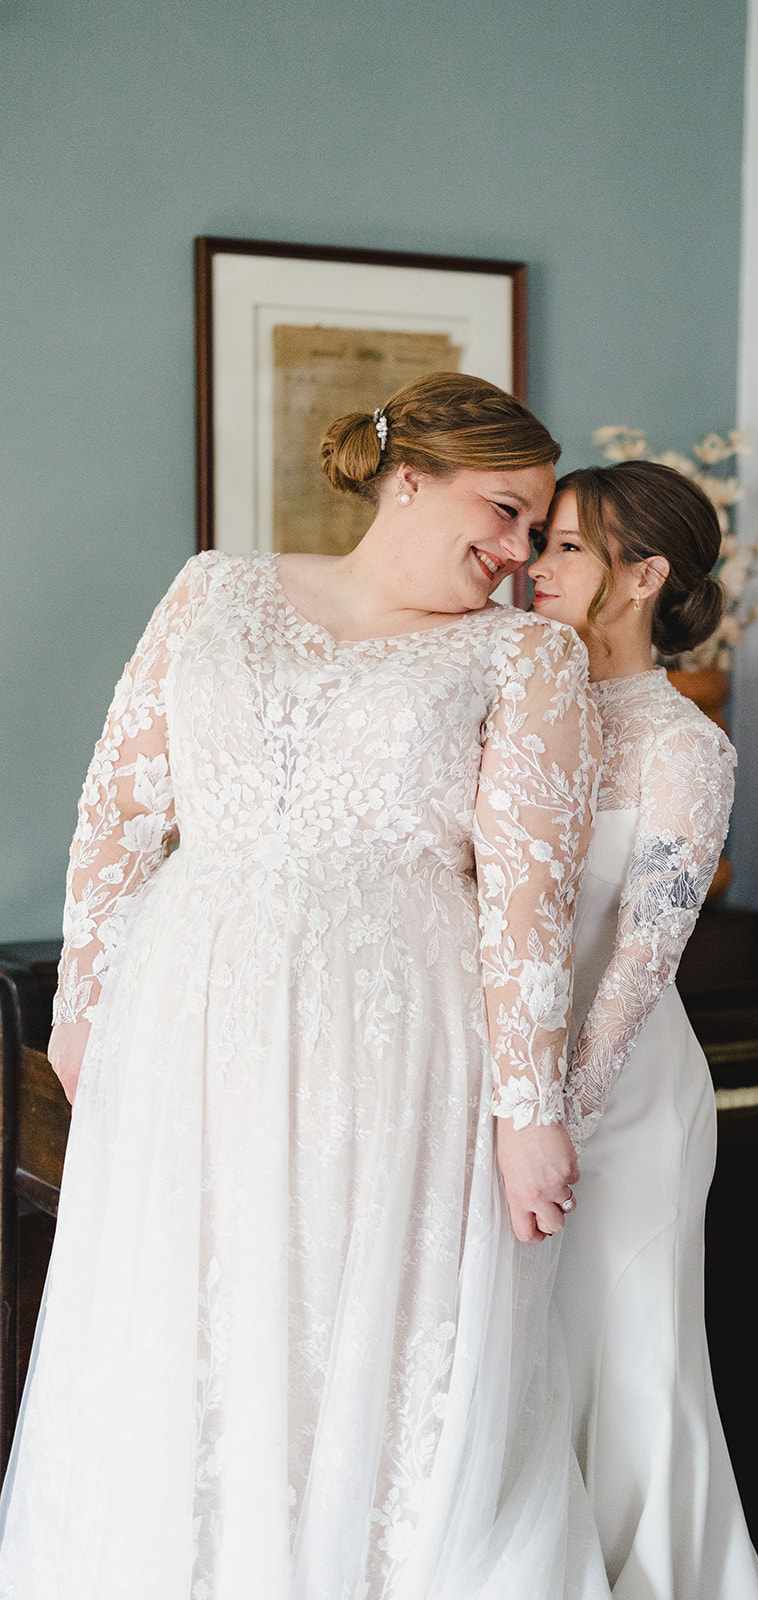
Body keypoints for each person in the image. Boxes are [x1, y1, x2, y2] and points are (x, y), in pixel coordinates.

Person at [0, 372, 611, 1600]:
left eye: (534, 534)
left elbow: (528, 898)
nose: (512, 554)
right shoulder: (213, 588)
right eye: (499, 513)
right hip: (189, 1010)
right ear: (404, 479)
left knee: (354, 1319)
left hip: (392, 1032)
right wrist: (81, 1010)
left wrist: (527, 1105)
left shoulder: (527, 655)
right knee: (188, 1301)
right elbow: (120, 804)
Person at [529, 460, 758, 1600]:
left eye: (568, 546)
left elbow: (642, 955)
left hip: (620, 1100)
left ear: (642, 574)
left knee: (632, 1357)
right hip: (516, 1087)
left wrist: (555, 1113)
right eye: (544, 539)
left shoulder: (687, 748)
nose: (537, 563)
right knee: (526, 1358)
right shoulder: (523, 706)